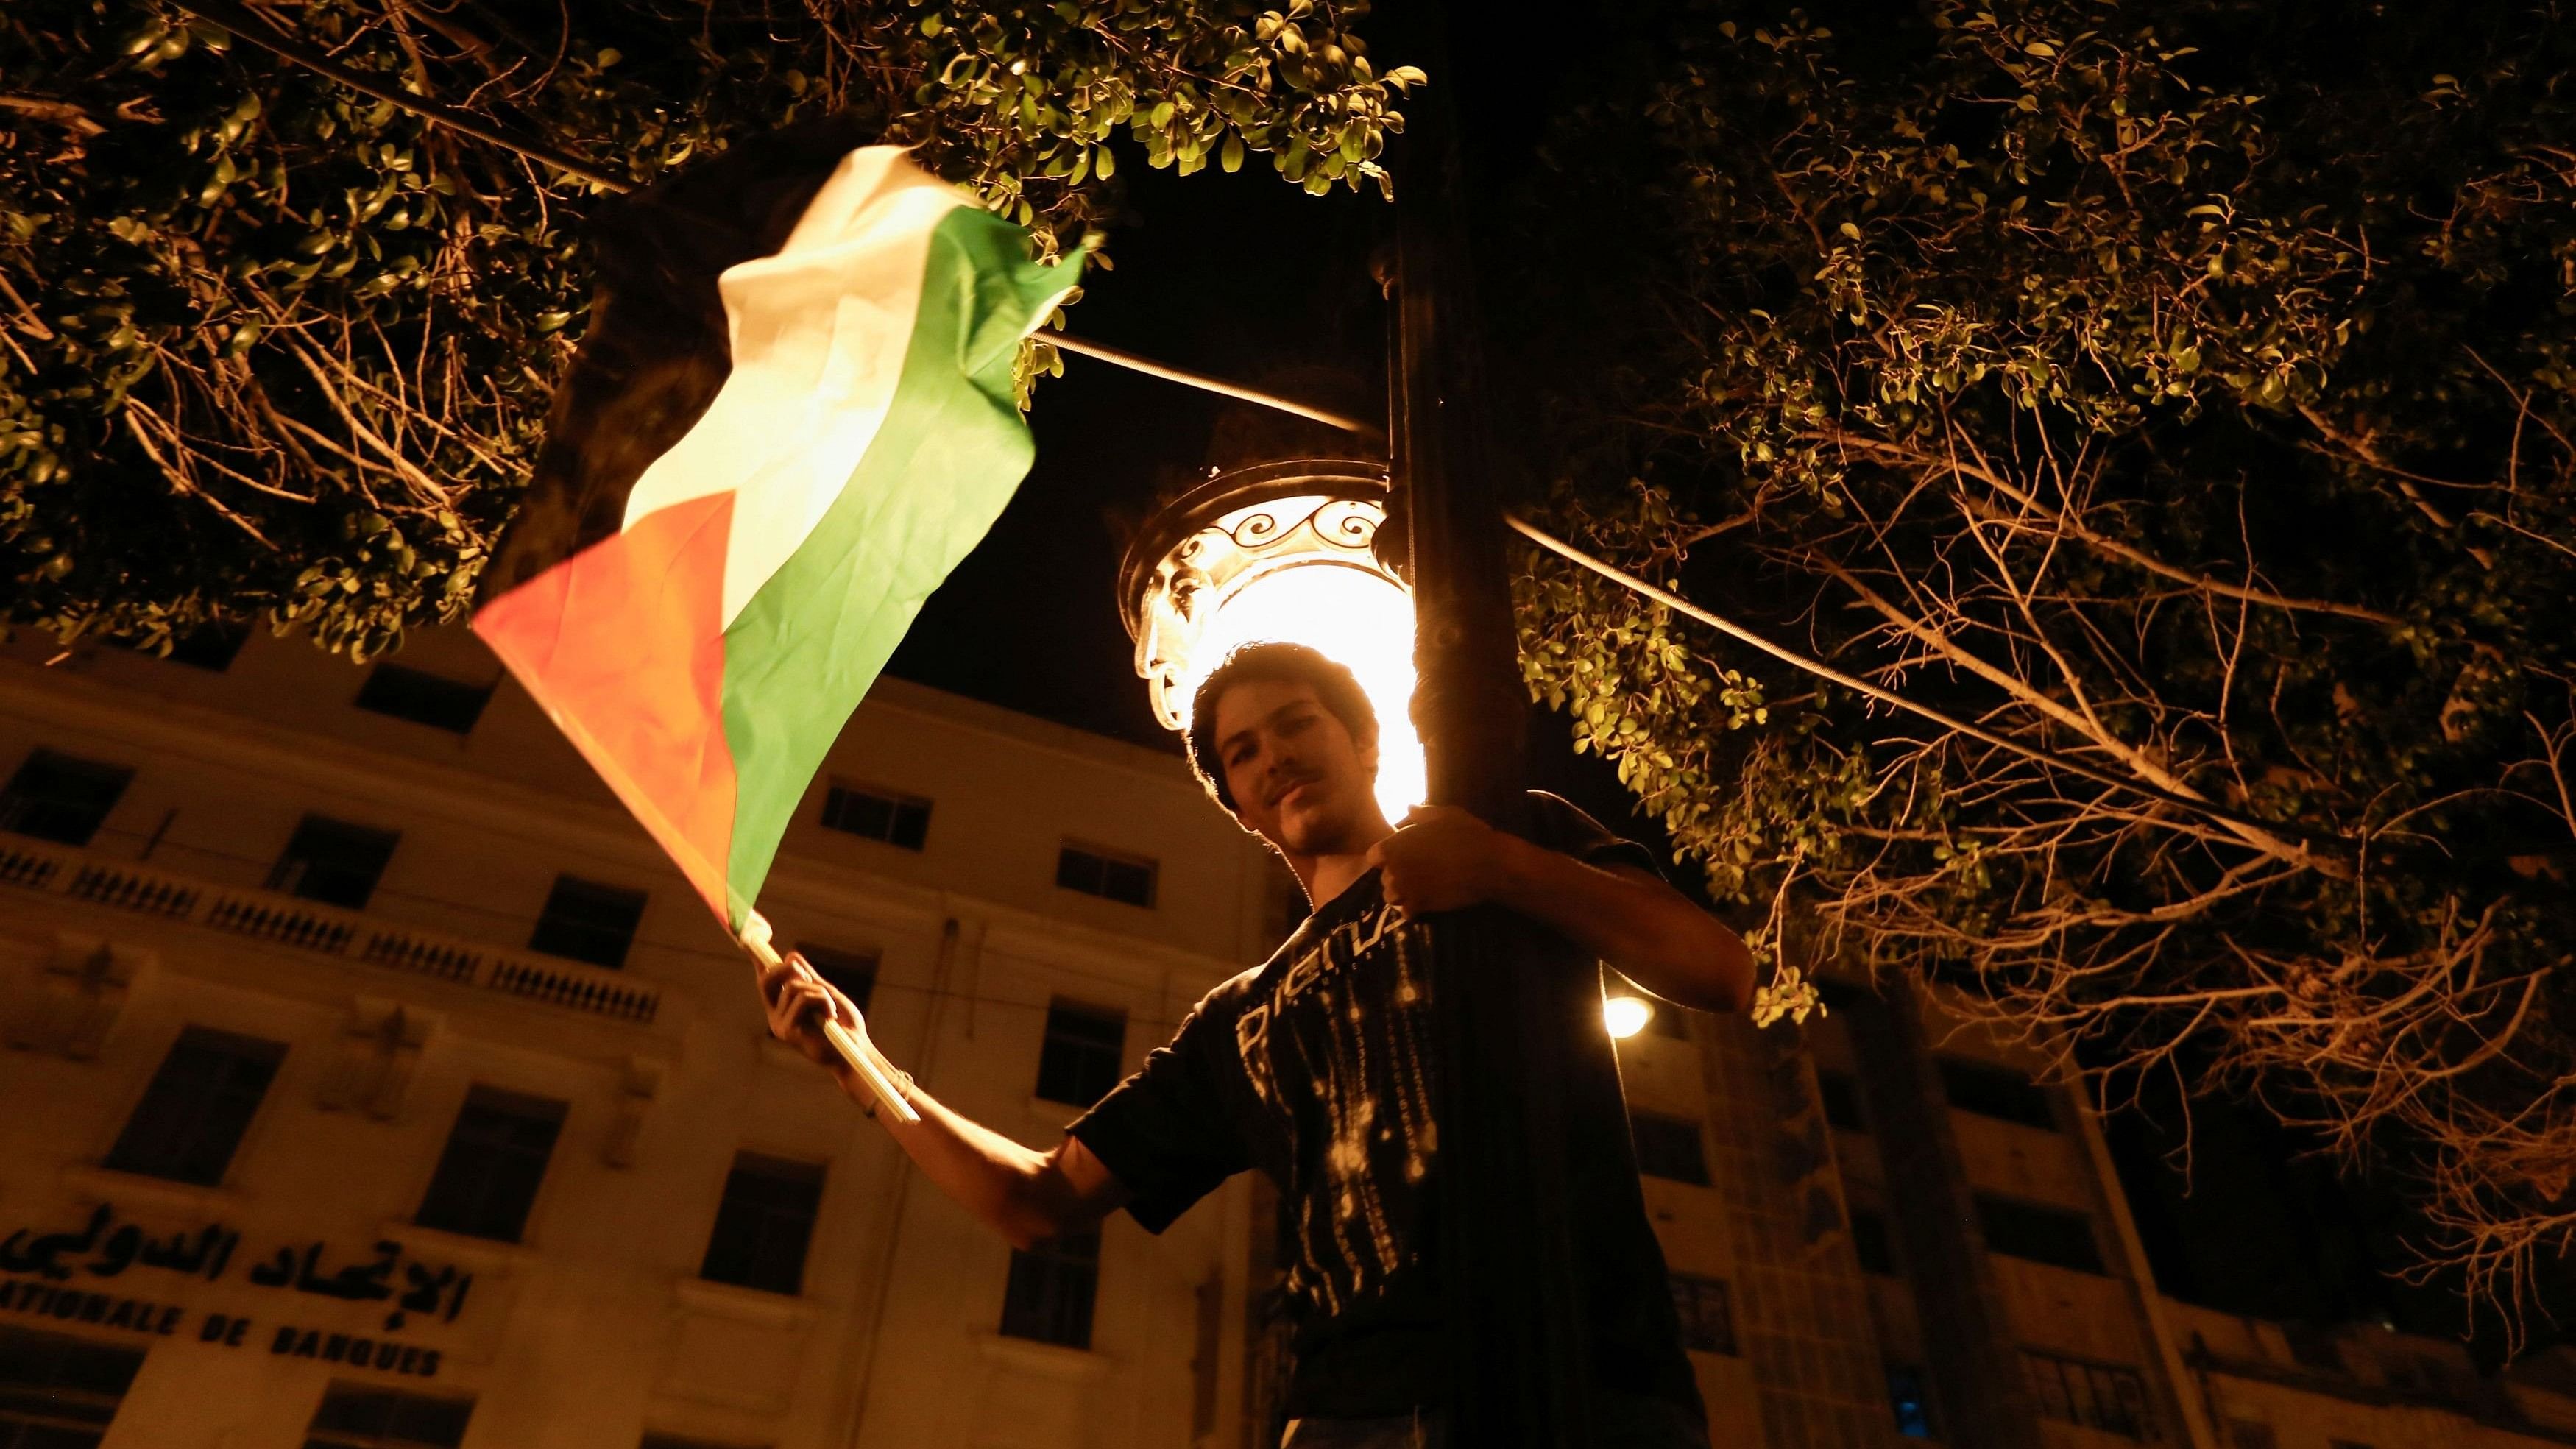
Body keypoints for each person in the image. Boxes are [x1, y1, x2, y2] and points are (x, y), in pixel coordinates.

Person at [760, 642, 1757, 1447]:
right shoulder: (1238, 1018)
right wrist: (863, 1064)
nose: (1274, 755)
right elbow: (1038, 1197)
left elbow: (1719, 969)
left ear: (1364, 741)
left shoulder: (1501, 830)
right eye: (1244, 751)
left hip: (1581, 1379)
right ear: (1237, 806)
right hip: (1343, 1416)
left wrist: (1500, 865)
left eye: (1296, 724)